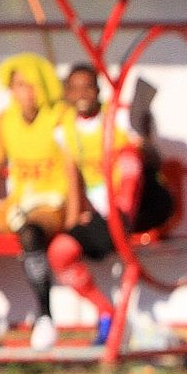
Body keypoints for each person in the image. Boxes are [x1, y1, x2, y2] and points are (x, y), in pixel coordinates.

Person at [0, 54, 79, 352]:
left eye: (29, 85)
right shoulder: (5, 120)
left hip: (53, 201)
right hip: (19, 201)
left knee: (31, 234)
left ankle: (45, 317)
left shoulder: (60, 117)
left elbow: (72, 168)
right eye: (17, 85)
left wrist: (75, 212)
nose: (23, 93)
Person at [48, 64, 132, 346]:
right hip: (98, 214)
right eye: (75, 88)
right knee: (60, 252)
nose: (81, 94)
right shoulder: (65, 129)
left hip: (126, 211)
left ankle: (120, 327)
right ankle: (105, 311)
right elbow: (74, 177)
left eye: (88, 87)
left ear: (98, 91)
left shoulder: (117, 119)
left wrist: (123, 209)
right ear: (67, 93)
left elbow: (135, 163)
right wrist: (75, 220)